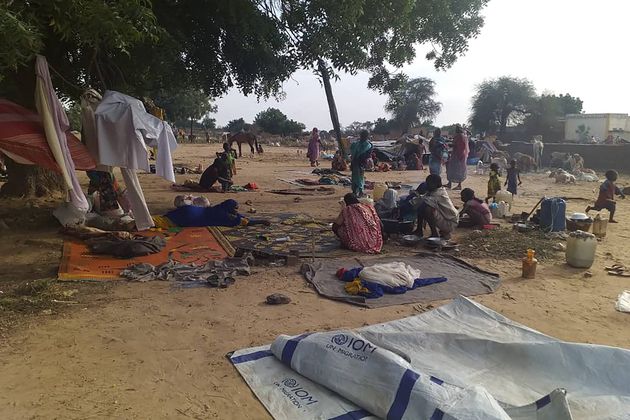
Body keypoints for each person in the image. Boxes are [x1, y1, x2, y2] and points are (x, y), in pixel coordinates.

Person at [154, 199, 270, 228]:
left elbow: (239, 216)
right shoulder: (225, 216)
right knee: (163, 223)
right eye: (235, 208)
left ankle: (143, 220)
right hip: (190, 216)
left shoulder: (218, 208)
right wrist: (261, 221)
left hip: (189, 209)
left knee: (162, 219)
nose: (236, 211)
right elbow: (245, 222)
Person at [414, 174, 459, 239]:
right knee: (422, 207)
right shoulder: (435, 190)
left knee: (427, 209)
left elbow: (424, 200)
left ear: (436, 184)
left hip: (450, 222)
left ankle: (434, 233)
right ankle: (419, 230)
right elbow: (424, 198)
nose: (427, 185)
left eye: (429, 184)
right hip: (446, 218)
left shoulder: (438, 193)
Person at [350, 130, 373, 196]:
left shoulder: (358, 144)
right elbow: (368, 155)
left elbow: (352, 152)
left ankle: (357, 191)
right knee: (358, 177)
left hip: (358, 162)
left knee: (357, 177)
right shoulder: (368, 144)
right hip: (358, 162)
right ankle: (359, 191)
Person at [446, 125, 469, 190]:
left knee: (457, 170)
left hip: (458, 156)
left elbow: (459, 146)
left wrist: (450, 144)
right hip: (458, 155)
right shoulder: (462, 136)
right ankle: (450, 183)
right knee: (454, 169)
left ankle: (458, 185)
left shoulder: (460, 136)